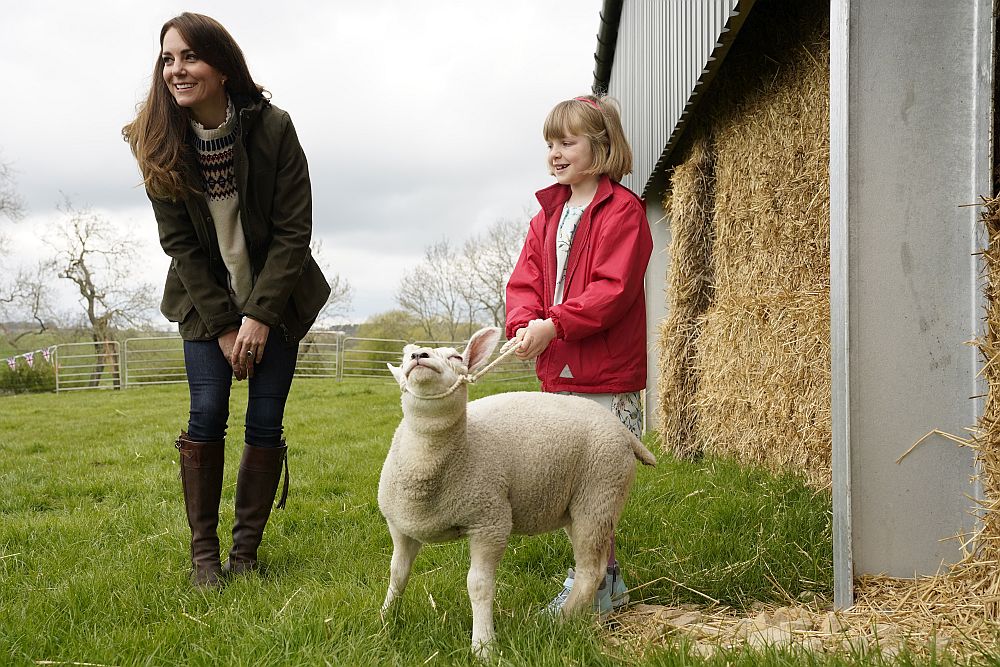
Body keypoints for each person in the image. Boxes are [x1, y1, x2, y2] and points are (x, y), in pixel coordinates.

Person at [123, 12, 330, 587]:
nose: (176, 69)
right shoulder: (156, 141)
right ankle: (204, 559)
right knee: (207, 413)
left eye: (188, 57)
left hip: (278, 296)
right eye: (167, 58)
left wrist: (260, 317)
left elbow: (294, 231)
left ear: (220, 64)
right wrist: (222, 325)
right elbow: (180, 245)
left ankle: (246, 555)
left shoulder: (273, 128)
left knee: (265, 421)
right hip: (202, 301)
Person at [505, 94, 653, 614]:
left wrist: (555, 323)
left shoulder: (624, 212)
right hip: (560, 372)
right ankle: (601, 582)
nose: (555, 152)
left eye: (567, 142)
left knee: (599, 484)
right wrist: (525, 323)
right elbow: (525, 279)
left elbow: (612, 291)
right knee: (573, 485)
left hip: (605, 375)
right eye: (550, 143)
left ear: (602, 145)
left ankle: (598, 583)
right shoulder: (548, 215)